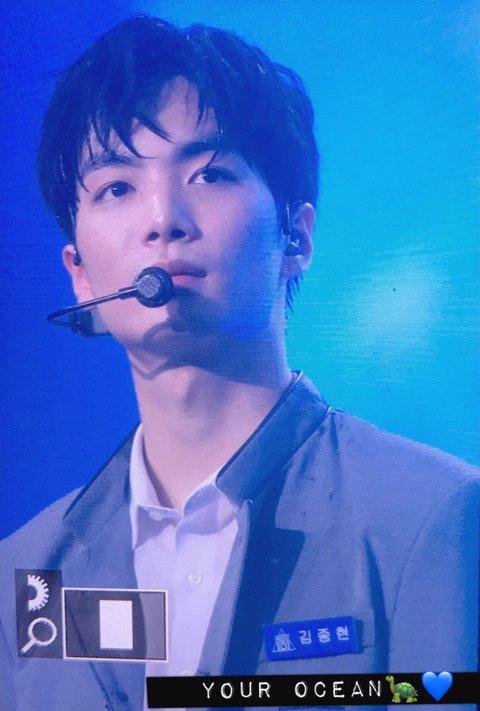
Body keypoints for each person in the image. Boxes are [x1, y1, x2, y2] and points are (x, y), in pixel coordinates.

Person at [0, 15, 478, 711]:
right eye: (116, 187)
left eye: (211, 173)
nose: (162, 219)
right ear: (78, 273)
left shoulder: (432, 517)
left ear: (296, 236)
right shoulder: (27, 571)